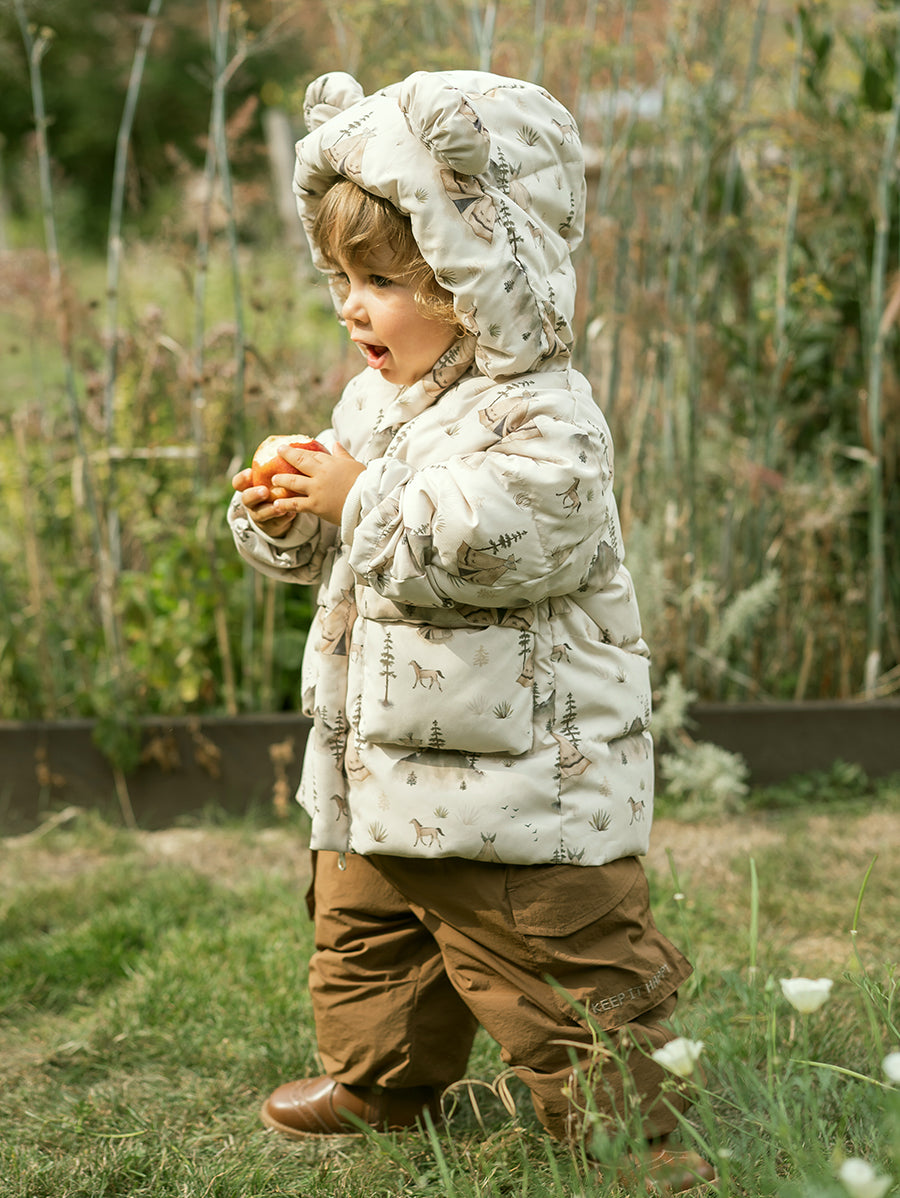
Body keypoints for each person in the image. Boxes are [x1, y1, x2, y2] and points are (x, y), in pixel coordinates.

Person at [228, 69, 715, 1192]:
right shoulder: (376, 402)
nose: (351, 307)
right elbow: (348, 545)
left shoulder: (547, 415)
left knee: (557, 957)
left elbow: (499, 541)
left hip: (518, 778)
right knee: (368, 932)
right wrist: (288, 515)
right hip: (381, 764)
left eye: (383, 280)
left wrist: (358, 498)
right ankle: (380, 1080)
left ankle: (632, 1136)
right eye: (342, 278)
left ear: (478, 274)